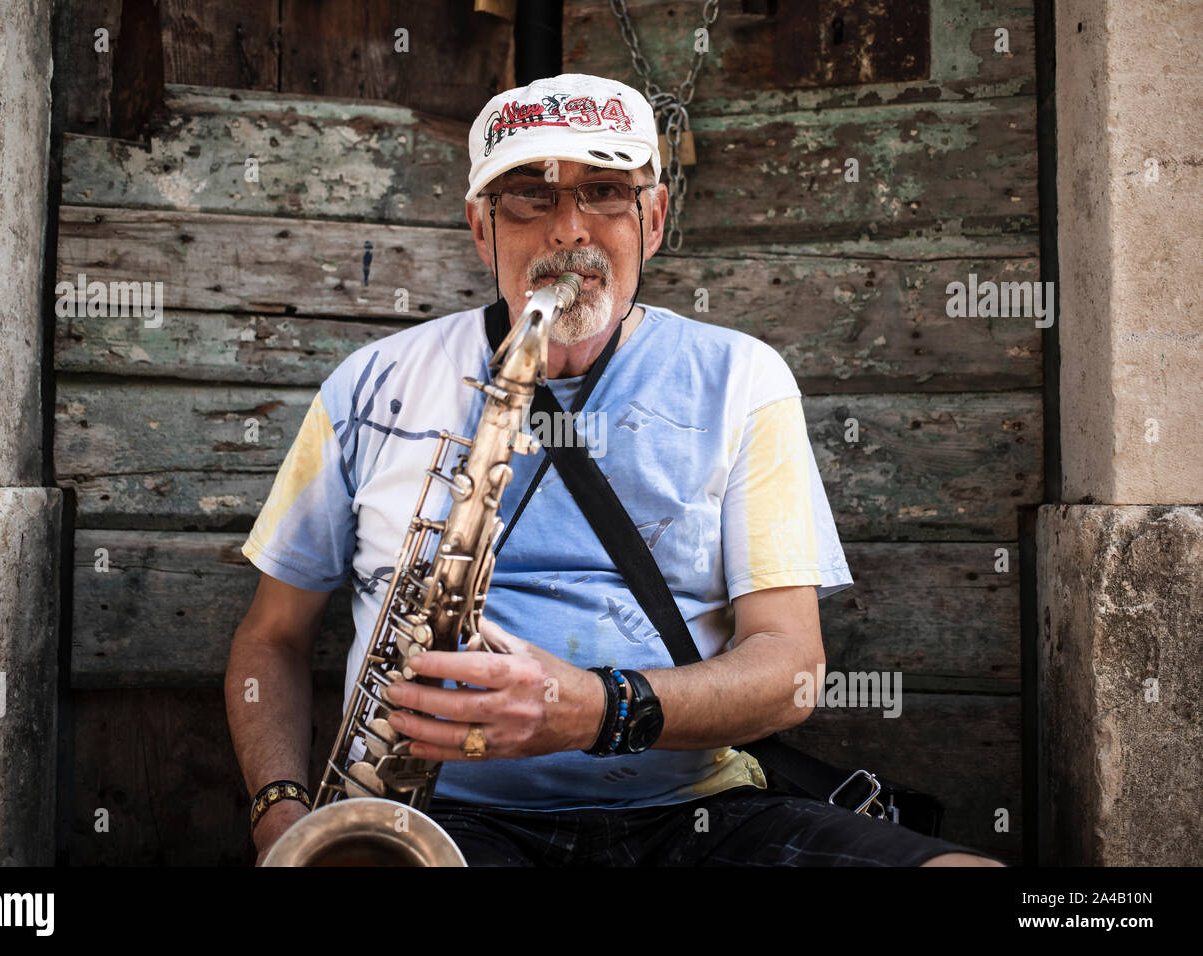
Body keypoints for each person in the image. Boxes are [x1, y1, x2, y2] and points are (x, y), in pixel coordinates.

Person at [226, 73, 1004, 867]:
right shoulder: (370, 386)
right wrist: (280, 814)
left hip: (694, 815)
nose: (569, 230)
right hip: (433, 824)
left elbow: (791, 671)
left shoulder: (743, 378)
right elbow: (272, 639)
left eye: (603, 192)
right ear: (480, 229)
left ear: (654, 218)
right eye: (530, 196)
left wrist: (596, 709)